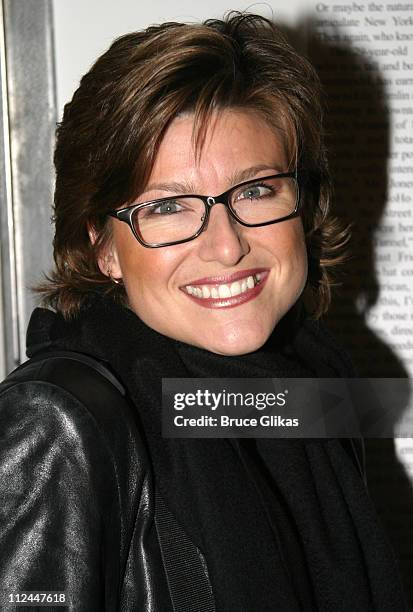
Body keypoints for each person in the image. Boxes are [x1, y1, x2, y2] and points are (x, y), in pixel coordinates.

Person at [0, 12, 407, 612]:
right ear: (104, 245)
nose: (227, 245)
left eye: (256, 191)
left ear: (304, 202)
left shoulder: (313, 396)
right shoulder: (59, 426)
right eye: (168, 207)